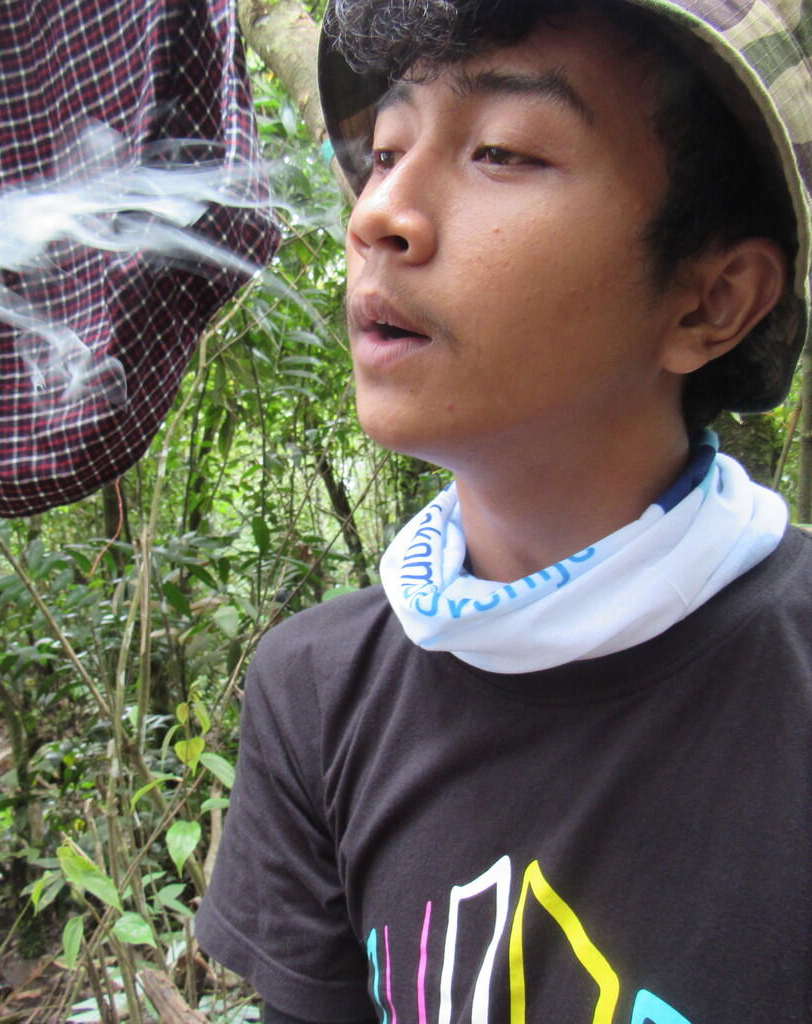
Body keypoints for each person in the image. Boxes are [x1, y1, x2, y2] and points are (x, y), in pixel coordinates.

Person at [196, 0, 812, 1021]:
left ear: (710, 301)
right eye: (385, 150)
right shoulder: (317, 693)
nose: (376, 215)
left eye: (502, 153)